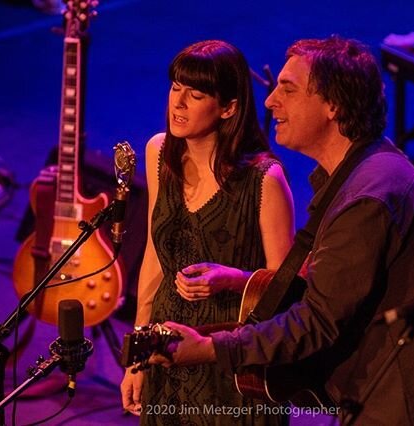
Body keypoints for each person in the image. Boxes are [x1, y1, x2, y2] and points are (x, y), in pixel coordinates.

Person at [150, 36, 414, 425]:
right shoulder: (362, 173)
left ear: (333, 105)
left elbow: (317, 322)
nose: (268, 100)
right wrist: (240, 282)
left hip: (408, 411)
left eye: (288, 89)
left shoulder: (368, 197)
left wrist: (211, 348)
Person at [119, 40, 295, 426]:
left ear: (228, 107)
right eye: (175, 88)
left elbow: (287, 292)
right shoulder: (159, 152)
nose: (178, 103)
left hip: (229, 355)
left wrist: (234, 279)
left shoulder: (264, 180)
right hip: (165, 346)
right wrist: (138, 351)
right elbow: (154, 253)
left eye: (195, 94)